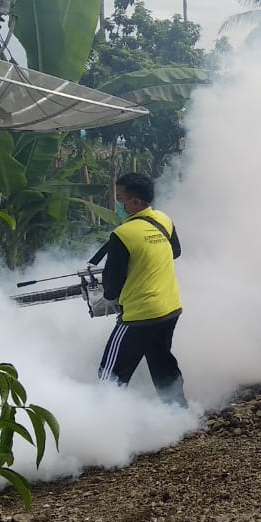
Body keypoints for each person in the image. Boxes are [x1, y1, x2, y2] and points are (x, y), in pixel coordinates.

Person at [95, 172, 189, 408]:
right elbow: (174, 251)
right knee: (161, 363)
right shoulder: (164, 220)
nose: (117, 203)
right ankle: (179, 414)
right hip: (169, 309)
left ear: (134, 202)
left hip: (139, 316)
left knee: (110, 375)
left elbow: (112, 285)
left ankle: (104, 422)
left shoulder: (123, 234)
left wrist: (107, 297)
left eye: (120, 198)